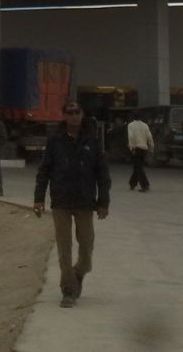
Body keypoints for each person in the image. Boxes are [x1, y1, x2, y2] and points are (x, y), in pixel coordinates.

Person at [33, 102, 110, 309]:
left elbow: (102, 174)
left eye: (77, 112)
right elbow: (44, 171)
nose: (74, 116)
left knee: (86, 247)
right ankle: (68, 290)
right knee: (64, 247)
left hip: (85, 202)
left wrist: (103, 202)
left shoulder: (93, 141)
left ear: (83, 114)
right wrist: (38, 199)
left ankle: (78, 273)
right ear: (64, 116)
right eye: (70, 113)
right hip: (61, 202)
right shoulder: (55, 141)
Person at [126, 111, 153, 192]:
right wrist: (151, 148)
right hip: (144, 149)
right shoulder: (145, 125)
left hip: (136, 148)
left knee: (138, 167)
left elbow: (131, 136)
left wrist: (131, 147)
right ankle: (132, 183)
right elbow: (150, 137)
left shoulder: (131, 125)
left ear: (133, 117)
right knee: (137, 166)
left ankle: (145, 185)